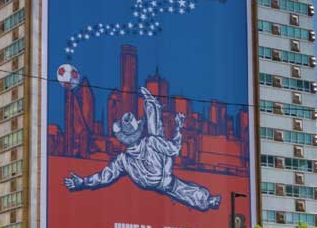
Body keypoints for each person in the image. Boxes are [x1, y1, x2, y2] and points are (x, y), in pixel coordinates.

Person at [64, 88, 222, 212]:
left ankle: (153, 105)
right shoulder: (143, 147)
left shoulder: (123, 159)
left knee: (158, 137)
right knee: (158, 137)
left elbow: (104, 177)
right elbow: (174, 149)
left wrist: (83, 182)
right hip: (166, 180)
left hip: (162, 181)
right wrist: (178, 129)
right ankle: (153, 105)